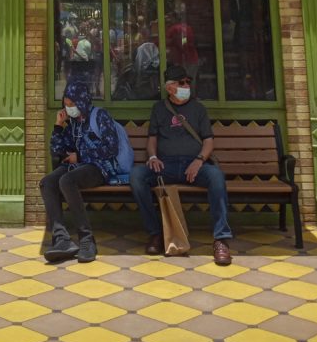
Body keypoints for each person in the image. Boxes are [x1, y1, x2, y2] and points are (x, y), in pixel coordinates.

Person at [130, 63, 233, 266]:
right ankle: (156, 233)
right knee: (136, 176)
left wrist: (199, 161)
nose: (187, 85)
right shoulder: (159, 108)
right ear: (170, 87)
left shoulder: (198, 108)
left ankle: (221, 239)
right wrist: (152, 158)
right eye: (181, 82)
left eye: (188, 82)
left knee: (217, 177)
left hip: (193, 166)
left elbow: (208, 141)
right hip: (165, 166)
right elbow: (152, 139)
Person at [40, 80, 121, 264]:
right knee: (47, 182)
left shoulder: (100, 116)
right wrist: (59, 127)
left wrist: (81, 156)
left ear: (82, 101)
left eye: (72, 104)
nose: (69, 108)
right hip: (76, 168)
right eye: (66, 105)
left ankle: (86, 240)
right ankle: (61, 239)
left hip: (100, 168)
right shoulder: (73, 124)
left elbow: (111, 148)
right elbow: (58, 151)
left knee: (66, 181)